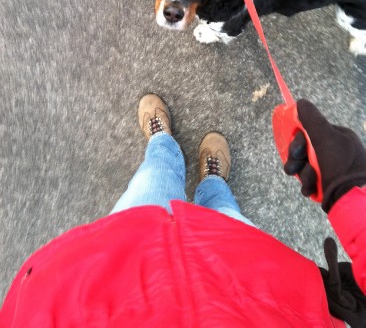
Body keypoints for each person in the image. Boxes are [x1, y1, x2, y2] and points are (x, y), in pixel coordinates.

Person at [1, 94, 365, 327]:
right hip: (258, 290)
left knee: (151, 181)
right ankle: (212, 183)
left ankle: (163, 144)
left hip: (104, 280)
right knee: (224, 213)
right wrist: (350, 189)